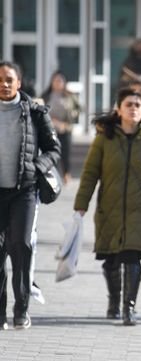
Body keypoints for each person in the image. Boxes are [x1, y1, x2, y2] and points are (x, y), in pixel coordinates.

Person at [74, 87, 141, 326]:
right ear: (118, 109)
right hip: (109, 208)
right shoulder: (105, 137)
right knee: (111, 259)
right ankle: (114, 300)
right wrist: (81, 204)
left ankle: (128, 308)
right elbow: (91, 173)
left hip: (140, 210)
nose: (133, 108)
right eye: (128, 104)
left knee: (133, 257)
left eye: (137, 105)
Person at [0, 61, 61, 330]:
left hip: (24, 191)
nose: (4, 83)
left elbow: (54, 149)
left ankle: (21, 308)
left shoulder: (35, 112)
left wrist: (36, 168)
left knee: (22, 247)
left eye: (9, 79)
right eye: (0, 79)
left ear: (19, 83)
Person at [40, 70, 80, 184]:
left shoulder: (70, 96)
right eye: (56, 80)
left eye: (60, 81)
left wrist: (71, 117)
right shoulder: (46, 96)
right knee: (52, 151)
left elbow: (78, 109)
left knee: (65, 152)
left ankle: (67, 173)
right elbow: (40, 109)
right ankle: (54, 174)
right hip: (50, 128)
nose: (58, 83)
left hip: (65, 128)